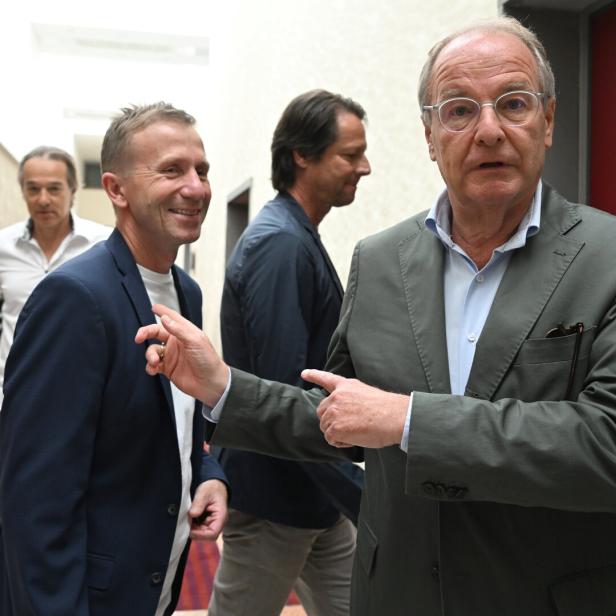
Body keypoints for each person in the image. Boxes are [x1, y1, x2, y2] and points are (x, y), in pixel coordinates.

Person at [136, 17, 616, 616]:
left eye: (513, 103)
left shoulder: (606, 257)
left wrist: (409, 419)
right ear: (429, 134)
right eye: (460, 110)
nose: (489, 130)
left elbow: (605, 443)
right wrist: (222, 385)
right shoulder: (380, 259)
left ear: (548, 121)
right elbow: (340, 415)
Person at [0, 103, 228, 616]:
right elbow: (35, 502)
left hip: (152, 582)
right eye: (171, 170)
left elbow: (175, 415)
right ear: (116, 189)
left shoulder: (185, 292)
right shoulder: (74, 298)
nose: (196, 187)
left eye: (202, 170)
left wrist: (207, 470)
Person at [210, 89, 369, 616]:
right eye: (350, 154)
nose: (364, 168)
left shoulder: (298, 237)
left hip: (313, 494)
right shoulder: (280, 245)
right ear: (302, 155)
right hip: (274, 497)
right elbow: (286, 391)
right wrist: (362, 495)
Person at [0, 146, 111, 406]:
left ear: (73, 190)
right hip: (13, 395)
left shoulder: (102, 245)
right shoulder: (3, 247)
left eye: (54, 188)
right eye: (33, 189)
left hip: (79, 395)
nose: (43, 199)